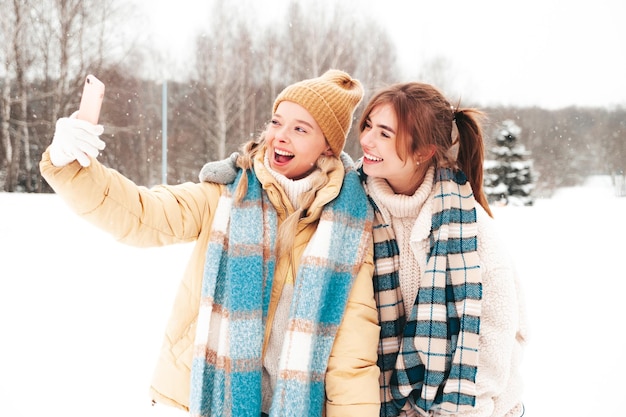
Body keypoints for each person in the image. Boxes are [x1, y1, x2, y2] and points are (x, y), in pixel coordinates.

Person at [39, 69, 381, 417]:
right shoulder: (226, 194)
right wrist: (72, 165)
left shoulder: (348, 229)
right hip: (210, 398)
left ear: (328, 146)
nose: (280, 136)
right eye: (276, 122)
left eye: (300, 129)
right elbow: (143, 213)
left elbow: (352, 354)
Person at [357, 82, 527, 417]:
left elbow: (497, 335)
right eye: (368, 126)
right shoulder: (353, 209)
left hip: (475, 408)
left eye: (385, 133)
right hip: (383, 405)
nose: (366, 140)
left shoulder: (470, 228)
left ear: (423, 151)